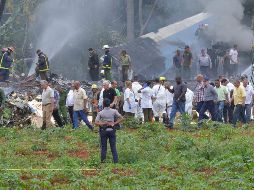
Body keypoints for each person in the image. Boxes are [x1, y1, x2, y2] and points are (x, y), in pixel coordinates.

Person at [95, 98, 124, 163]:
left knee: (104, 147)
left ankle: (103, 162)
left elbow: (96, 122)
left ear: (103, 104)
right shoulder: (114, 111)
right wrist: (115, 123)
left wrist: (104, 123)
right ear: (109, 104)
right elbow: (122, 118)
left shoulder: (100, 113)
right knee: (113, 147)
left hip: (103, 131)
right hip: (112, 130)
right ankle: (116, 162)